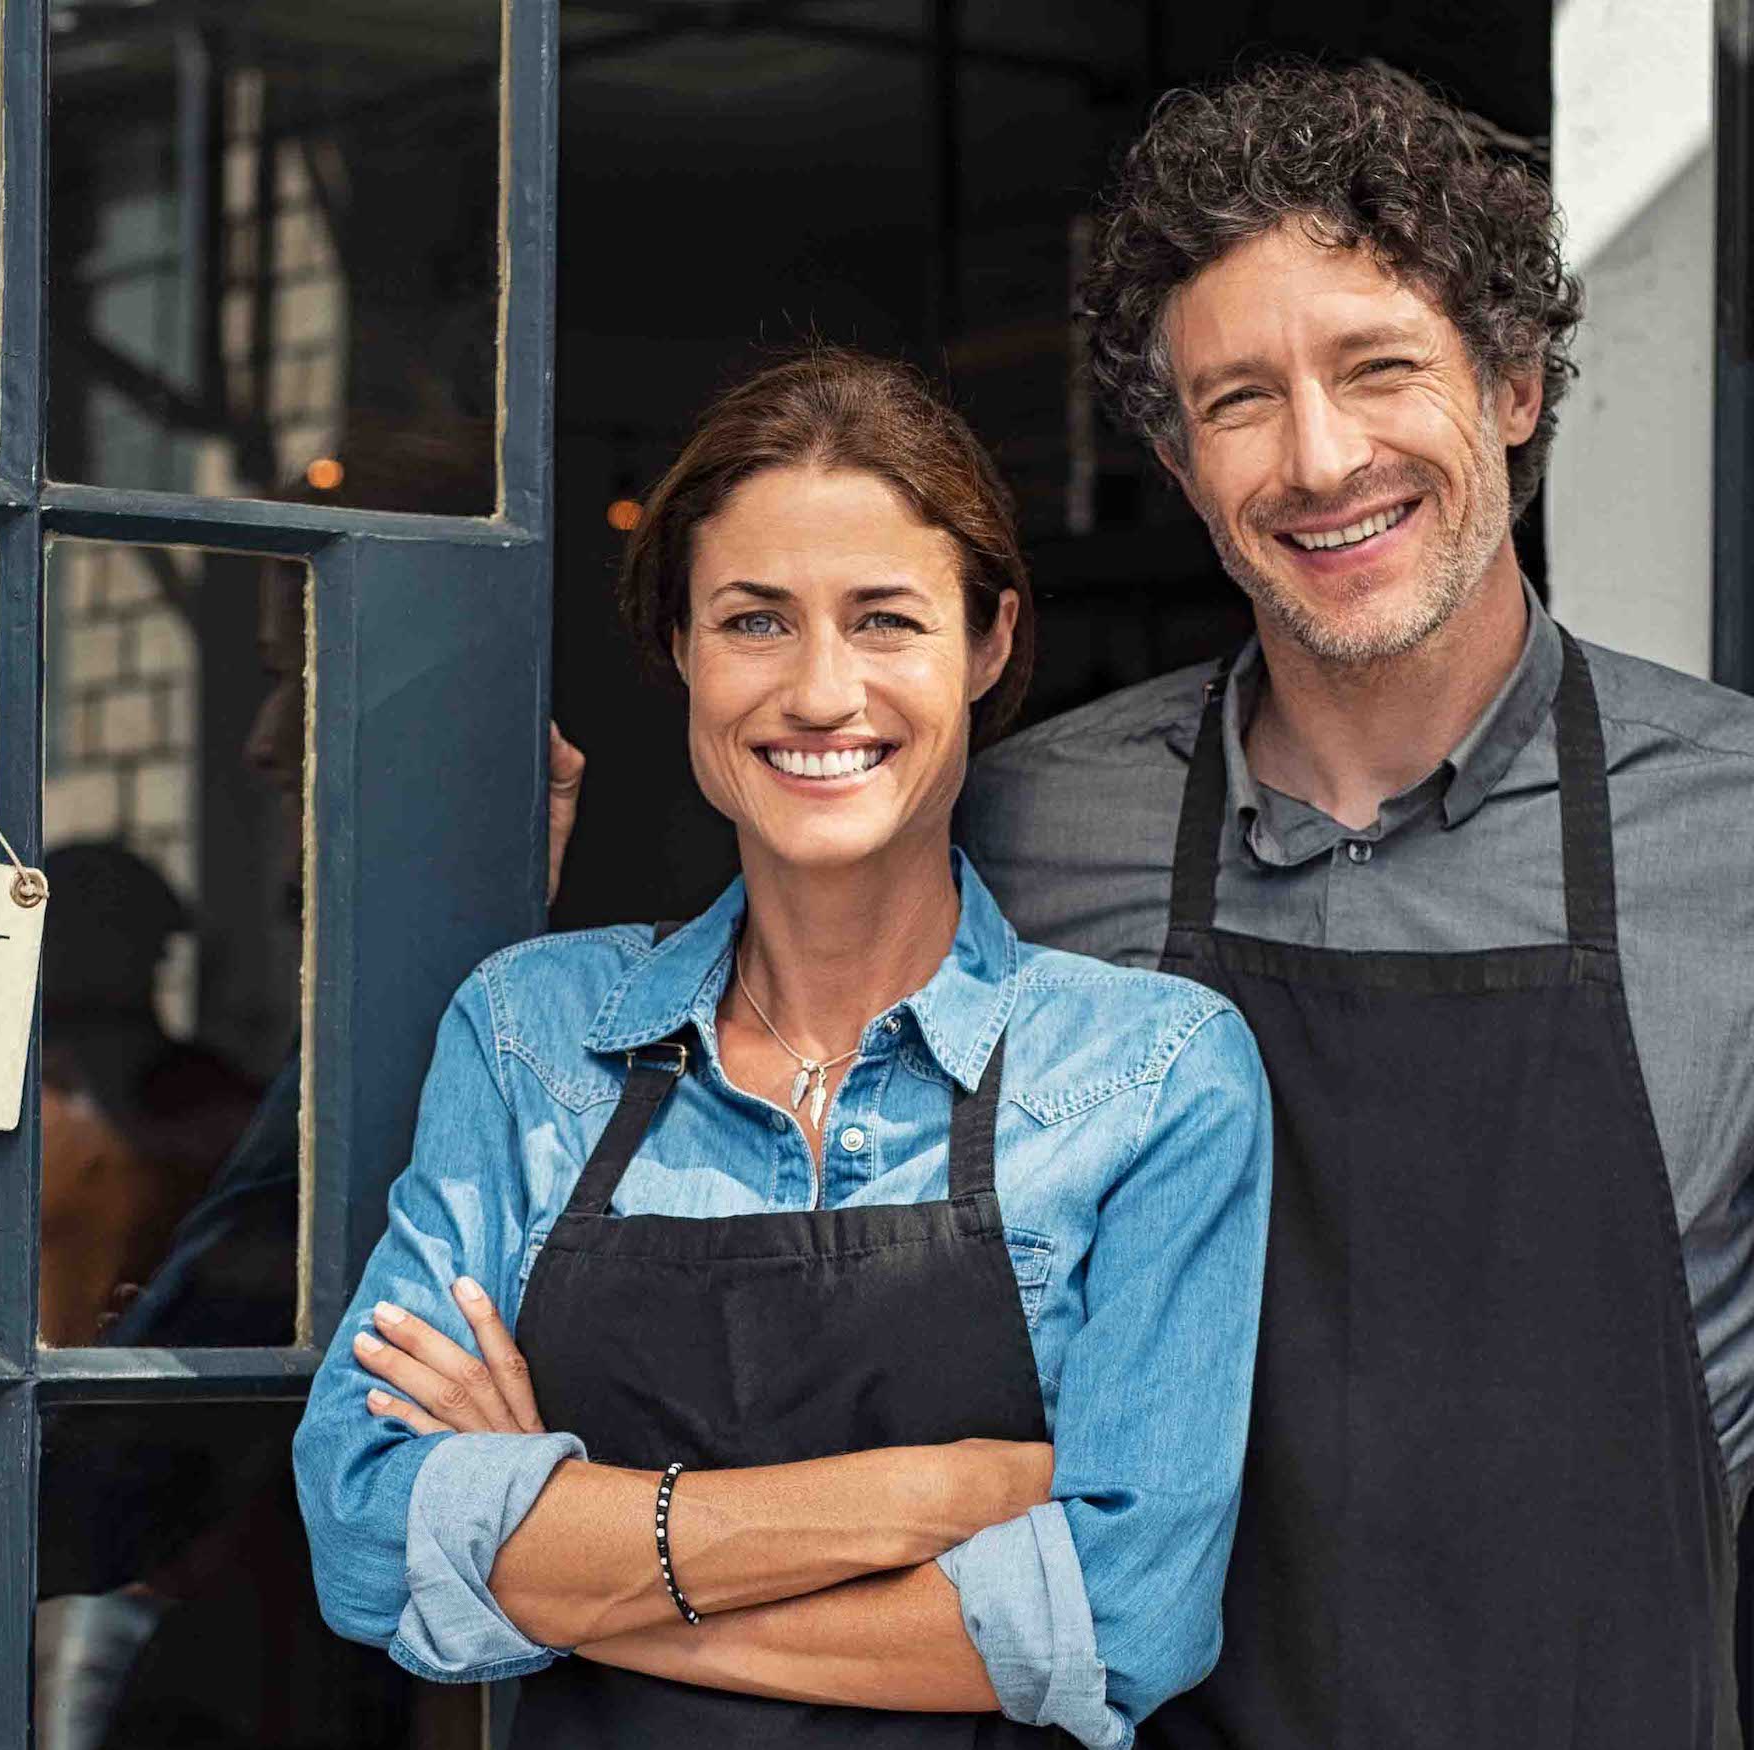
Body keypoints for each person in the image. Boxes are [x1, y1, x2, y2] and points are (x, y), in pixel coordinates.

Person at [955, 60, 1754, 1750]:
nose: (1322, 459)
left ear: (1518, 381)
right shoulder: (1029, 830)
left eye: (1379, 367)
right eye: (1240, 399)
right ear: (1178, 460)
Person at [292, 348, 1272, 1749]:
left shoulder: (1152, 1074)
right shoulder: (533, 1035)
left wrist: (556, 1552)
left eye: (886, 621)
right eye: (755, 621)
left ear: (988, 643)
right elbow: (364, 1528)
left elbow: (1126, 1616)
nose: (821, 692)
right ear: (682, 649)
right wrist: (931, 1500)